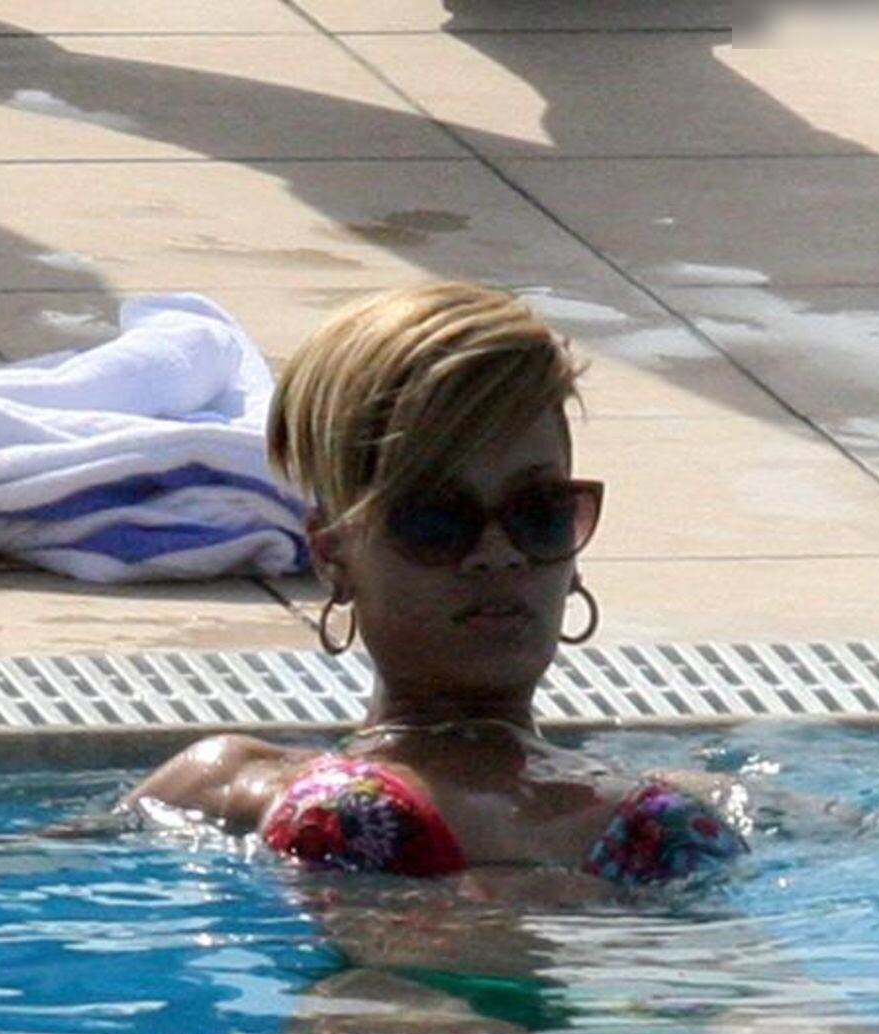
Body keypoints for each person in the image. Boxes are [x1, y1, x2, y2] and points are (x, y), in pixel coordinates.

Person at [123, 280, 749, 887]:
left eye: (539, 514)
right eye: (437, 521)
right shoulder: (230, 782)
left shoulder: (702, 800)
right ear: (332, 555)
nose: (498, 555)